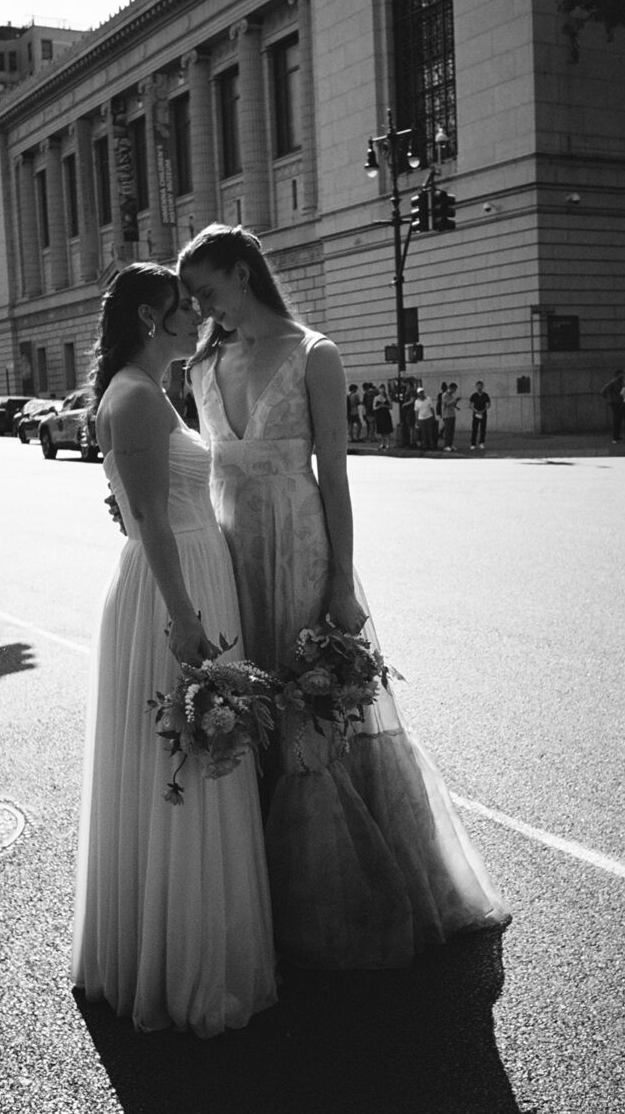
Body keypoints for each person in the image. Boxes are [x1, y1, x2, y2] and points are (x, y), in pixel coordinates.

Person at [179, 224, 510, 970]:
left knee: (310, 713)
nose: (201, 309)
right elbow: (198, 470)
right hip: (230, 558)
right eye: (193, 298)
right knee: (247, 706)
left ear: (242, 273)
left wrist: (339, 577)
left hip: (300, 550)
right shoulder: (203, 365)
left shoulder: (313, 355)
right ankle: (256, 896)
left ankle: (326, 902)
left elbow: (335, 473)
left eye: (206, 290)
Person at [71, 262, 276, 1035]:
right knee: (182, 755)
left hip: (189, 572)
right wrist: (185, 618)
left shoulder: (147, 392)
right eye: (184, 309)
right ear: (150, 319)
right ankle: (182, 955)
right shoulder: (133, 395)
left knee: (191, 751)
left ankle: (188, 934)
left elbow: (137, 502)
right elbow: (151, 521)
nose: (197, 318)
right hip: (174, 585)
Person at [601, 368, 624, 444]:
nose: (623, 375)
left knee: (619, 419)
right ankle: (615, 437)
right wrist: (609, 398)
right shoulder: (614, 382)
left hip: (618, 402)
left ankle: (617, 436)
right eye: (621, 374)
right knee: (616, 420)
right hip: (615, 402)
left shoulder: (619, 382)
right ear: (618, 374)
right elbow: (604, 390)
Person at [469, 381, 491, 449]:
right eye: (478, 386)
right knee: (474, 429)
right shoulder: (474, 395)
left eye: (480, 386)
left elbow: (488, 404)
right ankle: (473, 444)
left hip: (483, 413)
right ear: (476, 386)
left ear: (482, 386)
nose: (479, 387)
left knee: (483, 428)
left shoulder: (485, 395)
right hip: (476, 414)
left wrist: (483, 410)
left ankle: (481, 443)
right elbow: (471, 405)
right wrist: (475, 410)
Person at [373, 383, 394, 449]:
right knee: (381, 430)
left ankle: (388, 444)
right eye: (381, 389)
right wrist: (379, 406)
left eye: (383, 389)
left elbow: (391, 407)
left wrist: (385, 406)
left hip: (386, 414)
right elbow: (374, 407)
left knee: (387, 430)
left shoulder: (387, 397)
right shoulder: (376, 398)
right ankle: (382, 443)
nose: (382, 390)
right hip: (379, 415)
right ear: (379, 390)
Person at [441, 382, 460, 451]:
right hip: (447, 415)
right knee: (448, 431)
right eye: (454, 389)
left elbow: (452, 404)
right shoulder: (445, 395)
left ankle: (450, 444)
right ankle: (446, 446)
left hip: (452, 415)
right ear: (451, 388)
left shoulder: (451, 395)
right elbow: (446, 404)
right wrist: (454, 400)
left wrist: (456, 404)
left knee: (452, 431)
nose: (455, 391)